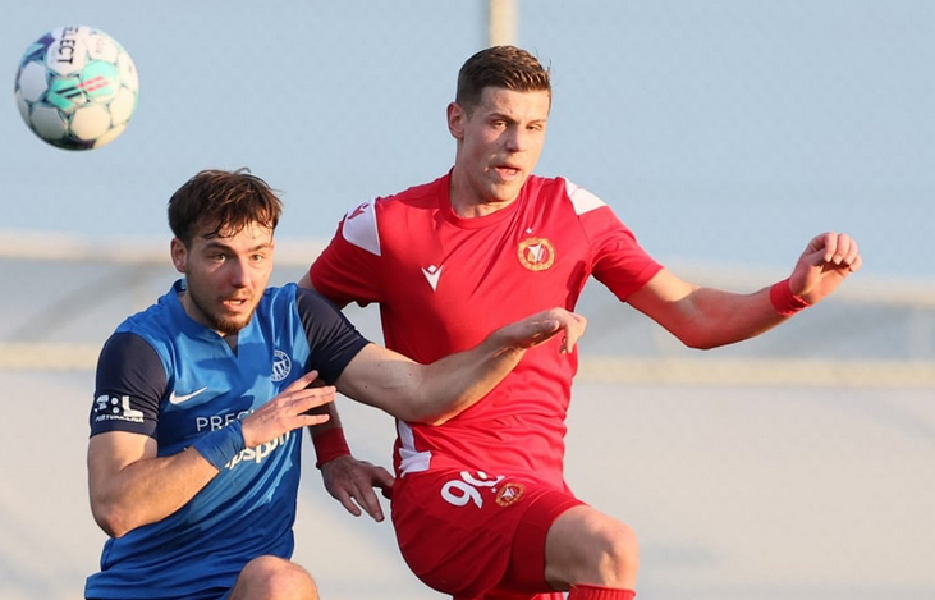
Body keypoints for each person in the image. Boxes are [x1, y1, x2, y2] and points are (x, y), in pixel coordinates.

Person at [300, 45, 863, 600]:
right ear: (457, 121)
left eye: (534, 127)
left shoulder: (572, 212)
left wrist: (792, 295)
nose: (517, 144)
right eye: (498, 123)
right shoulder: (388, 225)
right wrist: (333, 451)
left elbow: (693, 316)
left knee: (597, 553)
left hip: (537, 493)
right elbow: (292, 326)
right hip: (442, 487)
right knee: (609, 548)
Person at [83, 168, 587, 600]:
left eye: (257, 256)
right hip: (145, 590)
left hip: (246, 588)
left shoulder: (296, 316)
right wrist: (240, 435)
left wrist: (505, 345)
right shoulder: (140, 348)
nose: (242, 278)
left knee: (281, 583)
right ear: (180, 254)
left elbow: (420, 394)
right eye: (219, 256)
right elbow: (116, 507)